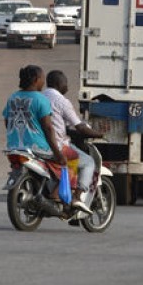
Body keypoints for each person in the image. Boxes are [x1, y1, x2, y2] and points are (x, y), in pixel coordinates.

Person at [43, 70, 102, 214]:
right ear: (58, 84)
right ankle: (76, 197)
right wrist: (98, 134)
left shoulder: (41, 97)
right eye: (66, 83)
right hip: (56, 145)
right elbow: (80, 127)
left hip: (39, 143)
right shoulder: (61, 101)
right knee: (87, 162)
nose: (67, 87)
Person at [3, 64, 67, 168]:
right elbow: (48, 128)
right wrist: (58, 154)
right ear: (37, 80)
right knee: (62, 167)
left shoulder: (12, 98)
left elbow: (7, 122)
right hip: (37, 149)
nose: (44, 82)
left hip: (13, 147)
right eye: (43, 78)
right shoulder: (40, 99)